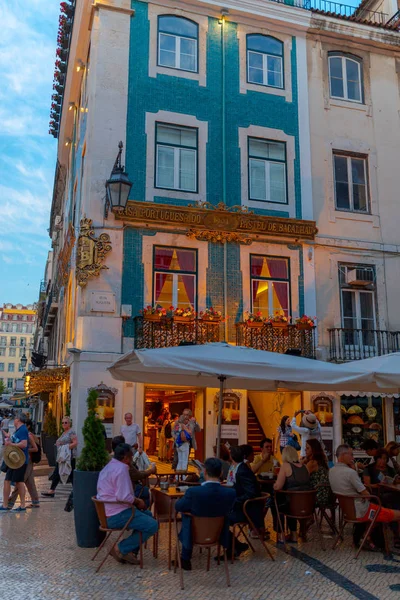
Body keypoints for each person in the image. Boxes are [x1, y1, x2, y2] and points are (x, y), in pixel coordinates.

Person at [97, 443, 158, 564]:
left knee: (148, 515)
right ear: (126, 457)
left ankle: (130, 552)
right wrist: (138, 501)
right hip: (116, 514)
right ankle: (120, 548)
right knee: (153, 525)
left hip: (107, 512)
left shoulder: (109, 466)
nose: (132, 459)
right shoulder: (121, 470)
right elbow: (123, 496)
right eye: (131, 456)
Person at [329, 444, 400, 544]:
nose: (353, 458)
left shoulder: (331, 471)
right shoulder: (350, 473)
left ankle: (366, 536)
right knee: (398, 514)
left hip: (348, 512)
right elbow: (366, 493)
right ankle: (370, 537)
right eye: (351, 454)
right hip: (362, 511)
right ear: (343, 455)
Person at [175, 457, 236, 570]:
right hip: (219, 534)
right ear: (221, 473)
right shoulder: (230, 493)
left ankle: (185, 556)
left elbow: (178, 506)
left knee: (187, 516)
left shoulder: (193, 492)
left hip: (194, 535)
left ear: (204, 472)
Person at [229, 445, 263, 556]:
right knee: (219, 517)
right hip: (245, 507)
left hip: (248, 511)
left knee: (219, 518)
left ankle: (234, 547)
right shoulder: (240, 468)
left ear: (232, 457)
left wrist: (235, 500)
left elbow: (251, 492)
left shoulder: (242, 470)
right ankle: (236, 546)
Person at [272, 445, 311, 543]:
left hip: (291, 506)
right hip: (307, 506)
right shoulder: (305, 467)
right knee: (291, 500)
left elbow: (278, 487)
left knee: (276, 503)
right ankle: (294, 534)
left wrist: (273, 485)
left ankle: (280, 534)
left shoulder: (285, 466)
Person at [112, 436, 156, 509]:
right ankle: (143, 512)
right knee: (151, 494)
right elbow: (137, 475)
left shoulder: (110, 463)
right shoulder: (125, 464)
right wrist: (151, 471)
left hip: (113, 502)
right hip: (124, 500)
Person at [42, 416, 78, 499]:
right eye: (62, 423)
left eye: (66, 422)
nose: (64, 424)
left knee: (70, 473)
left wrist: (66, 448)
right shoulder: (64, 432)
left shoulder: (71, 432)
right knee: (57, 472)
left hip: (69, 457)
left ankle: (75, 490)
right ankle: (52, 490)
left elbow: (75, 443)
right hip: (62, 457)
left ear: (69, 423)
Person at [8, 418, 40, 509]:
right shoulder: (27, 434)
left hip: (27, 460)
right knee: (30, 482)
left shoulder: (29, 435)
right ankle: (35, 501)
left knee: (19, 481)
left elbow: (35, 449)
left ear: (28, 426)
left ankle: (11, 502)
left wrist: (25, 450)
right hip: (27, 460)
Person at [1, 412, 29, 512]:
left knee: (17, 482)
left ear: (17, 420)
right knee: (13, 481)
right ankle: (7, 505)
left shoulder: (22, 430)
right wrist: (9, 437)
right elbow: (17, 441)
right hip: (15, 461)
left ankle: (20, 505)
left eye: (15, 418)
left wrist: (11, 443)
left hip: (19, 461)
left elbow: (24, 444)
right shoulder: (20, 430)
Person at [303, 438, 333, 508]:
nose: (305, 450)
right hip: (327, 495)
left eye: (307, 448)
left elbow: (302, 477)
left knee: (295, 498)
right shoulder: (320, 461)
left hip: (317, 496)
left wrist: (302, 462)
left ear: (313, 450)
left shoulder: (312, 463)